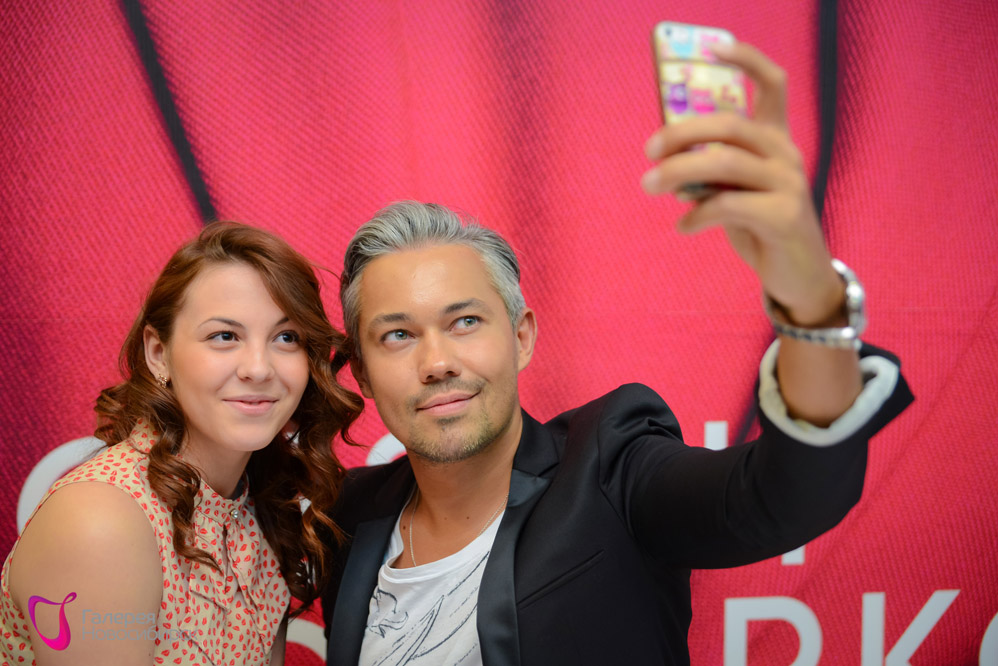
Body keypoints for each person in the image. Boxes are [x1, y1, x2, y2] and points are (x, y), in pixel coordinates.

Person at [320, 42, 913, 665]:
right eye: (398, 335)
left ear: (521, 337)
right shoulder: (348, 513)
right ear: (362, 371)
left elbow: (779, 498)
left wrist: (810, 300)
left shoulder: (608, 469)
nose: (437, 361)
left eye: (465, 322)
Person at [1, 222, 363, 665]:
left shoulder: (258, 506)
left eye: (286, 338)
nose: (258, 368)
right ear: (158, 353)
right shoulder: (103, 521)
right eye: (224, 336)